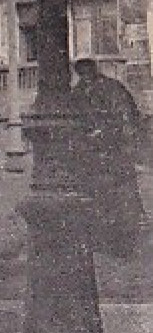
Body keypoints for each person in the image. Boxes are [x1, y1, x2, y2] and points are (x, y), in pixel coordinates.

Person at [71, 59, 148, 257]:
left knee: (122, 198)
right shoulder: (77, 93)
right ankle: (103, 240)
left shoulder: (112, 88)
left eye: (88, 68)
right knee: (97, 198)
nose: (85, 74)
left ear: (94, 69)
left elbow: (127, 119)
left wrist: (105, 133)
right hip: (91, 155)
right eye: (81, 70)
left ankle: (125, 243)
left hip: (115, 152)